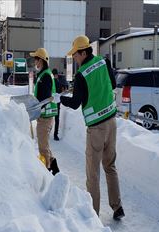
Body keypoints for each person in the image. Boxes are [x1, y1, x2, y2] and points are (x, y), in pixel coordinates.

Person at [52, 35, 124, 220]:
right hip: (112, 123)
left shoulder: (82, 74)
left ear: (83, 52)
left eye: (75, 55)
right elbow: (113, 84)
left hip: (96, 130)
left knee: (93, 174)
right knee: (110, 166)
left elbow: (76, 103)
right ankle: (117, 207)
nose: (74, 58)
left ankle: (93, 216)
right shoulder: (104, 62)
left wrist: (61, 99)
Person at [30, 48, 60, 175]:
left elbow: (46, 97)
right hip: (44, 115)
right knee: (44, 144)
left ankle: (46, 172)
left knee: (43, 146)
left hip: (46, 116)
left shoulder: (46, 75)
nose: (34, 62)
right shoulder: (43, 74)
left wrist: (35, 108)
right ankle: (55, 170)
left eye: (36, 59)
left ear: (41, 60)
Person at [52, 68, 68, 141]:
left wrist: (64, 88)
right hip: (51, 102)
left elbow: (65, 87)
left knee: (57, 118)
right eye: (54, 75)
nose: (55, 76)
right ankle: (51, 132)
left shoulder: (60, 80)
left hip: (57, 102)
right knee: (51, 118)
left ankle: (55, 134)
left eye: (56, 75)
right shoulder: (52, 81)